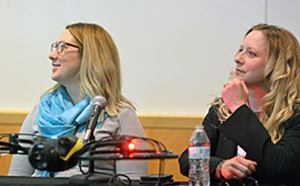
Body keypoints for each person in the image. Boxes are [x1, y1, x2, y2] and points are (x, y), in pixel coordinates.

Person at [8, 22, 148, 179]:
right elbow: (16, 179)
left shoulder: (120, 115)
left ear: (89, 55)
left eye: (62, 47)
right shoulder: (41, 111)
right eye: (54, 47)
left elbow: (133, 181)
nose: (52, 55)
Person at [179, 23, 300, 185]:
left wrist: (239, 109)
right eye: (240, 49)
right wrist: (220, 166)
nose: (238, 58)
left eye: (251, 53)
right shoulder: (221, 110)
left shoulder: (295, 114)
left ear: (276, 65)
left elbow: (276, 165)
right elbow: (188, 160)